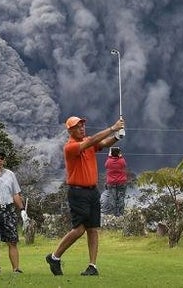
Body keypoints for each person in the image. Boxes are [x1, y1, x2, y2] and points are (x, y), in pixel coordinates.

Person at [45, 115, 125, 276]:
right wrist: (112, 128)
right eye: (77, 126)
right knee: (79, 229)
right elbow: (91, 141)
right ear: (70, 130)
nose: (82, 128)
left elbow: (101, 143)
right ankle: (55, 257)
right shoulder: (71, 147)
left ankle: (92, 266)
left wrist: (116, 137)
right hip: (77, 192)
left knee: (92, 229)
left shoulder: (88, 141)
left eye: (82, 125)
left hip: (92, 191)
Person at [105, 146, 127, 216]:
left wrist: (109, 156)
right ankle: (121, 214)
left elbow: (106, 166)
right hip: (121, 182)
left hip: (111, 183)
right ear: (119, 153)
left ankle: (113, 215)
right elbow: (124, 165)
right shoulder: (122, 161)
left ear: (111, 153)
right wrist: (120, 156)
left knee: (112, 198)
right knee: (121, 198)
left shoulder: (109, 161)